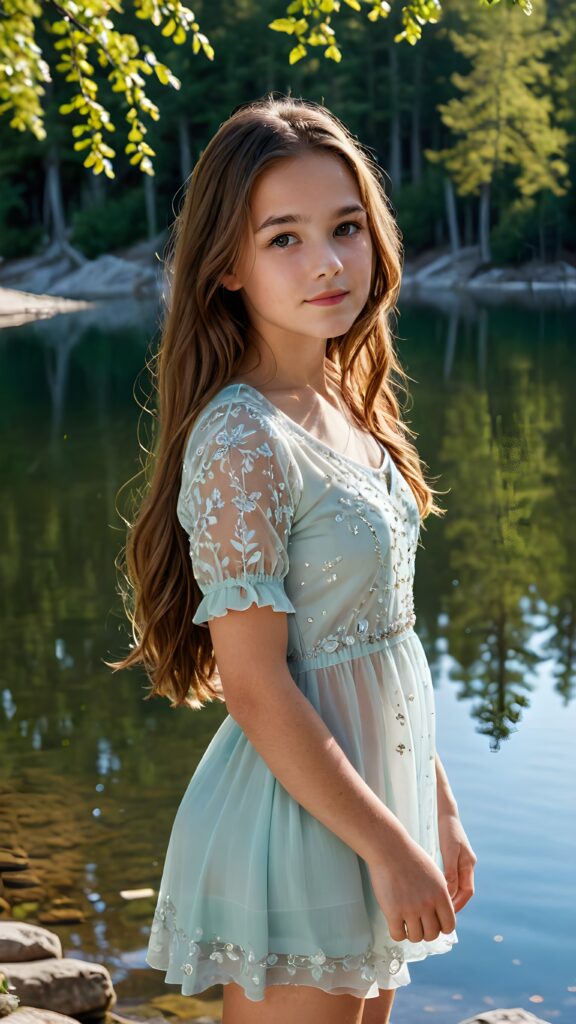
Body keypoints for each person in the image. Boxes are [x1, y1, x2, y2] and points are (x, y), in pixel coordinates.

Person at [110, 94, 477, 1024]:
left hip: (373, 802)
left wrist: (434, 806)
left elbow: (381, 630)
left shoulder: (351, 408)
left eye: (345, 227)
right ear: (227, 266)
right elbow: (256, 684)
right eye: (284, 238)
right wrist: (388, 847)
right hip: (299, 817)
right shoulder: (242, 437)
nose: (327, 261)